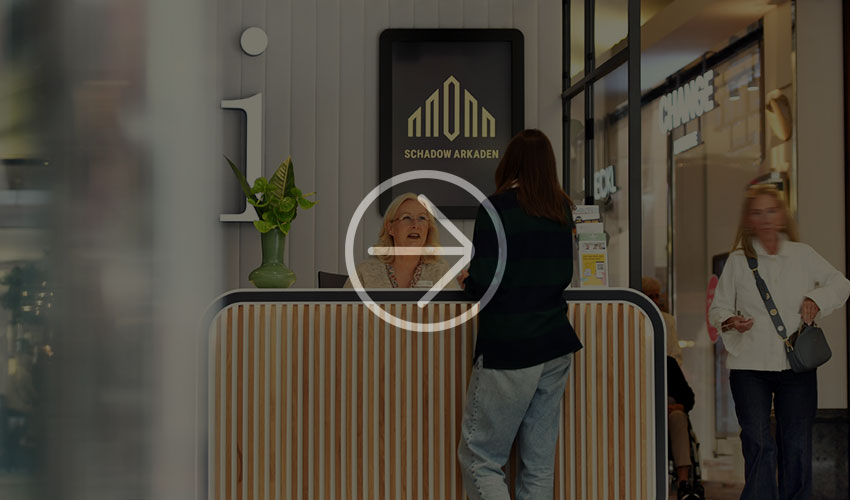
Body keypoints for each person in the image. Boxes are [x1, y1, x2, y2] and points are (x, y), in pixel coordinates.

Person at [456, 129, 582, 500]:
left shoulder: (496, 209)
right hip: (556, 343)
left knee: (481, 458)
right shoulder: (562, 211)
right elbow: (563, 275)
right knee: (538, 465)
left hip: (511, 346)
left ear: (509, 163)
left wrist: (468, 279)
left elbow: (487, 281)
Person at [708, 184, 850, 500]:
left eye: (771, 210)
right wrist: (731, 321)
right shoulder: (738, 260)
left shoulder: (803, 255)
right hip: (749, 367)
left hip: (795, 367)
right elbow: (718, 308)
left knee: (797, 443)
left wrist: (817, 298)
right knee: (758, 442)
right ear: (749, 220)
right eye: (758, 212)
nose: (766, 218)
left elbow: (841, 284)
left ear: (782, 216)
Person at [344, 192, 459, 289]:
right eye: (406, 218)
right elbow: (342, 313)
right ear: (390, 228)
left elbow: (457, 313)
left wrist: (464, 295)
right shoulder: (365, 271)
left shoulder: (440, 270)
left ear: (429, 228)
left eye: (422, 218)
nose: (415, 225)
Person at [667, 356, 698, 499]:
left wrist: (677, 406)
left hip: (669, 414)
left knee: (678, 417)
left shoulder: (668, 363)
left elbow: (688, 397)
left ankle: (683, 482)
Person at [642, 276, 683, 363]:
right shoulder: (634, 320)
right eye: (650, 296)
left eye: (657, 296)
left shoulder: (668, 320)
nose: (655, 301)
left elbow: (676, 355)